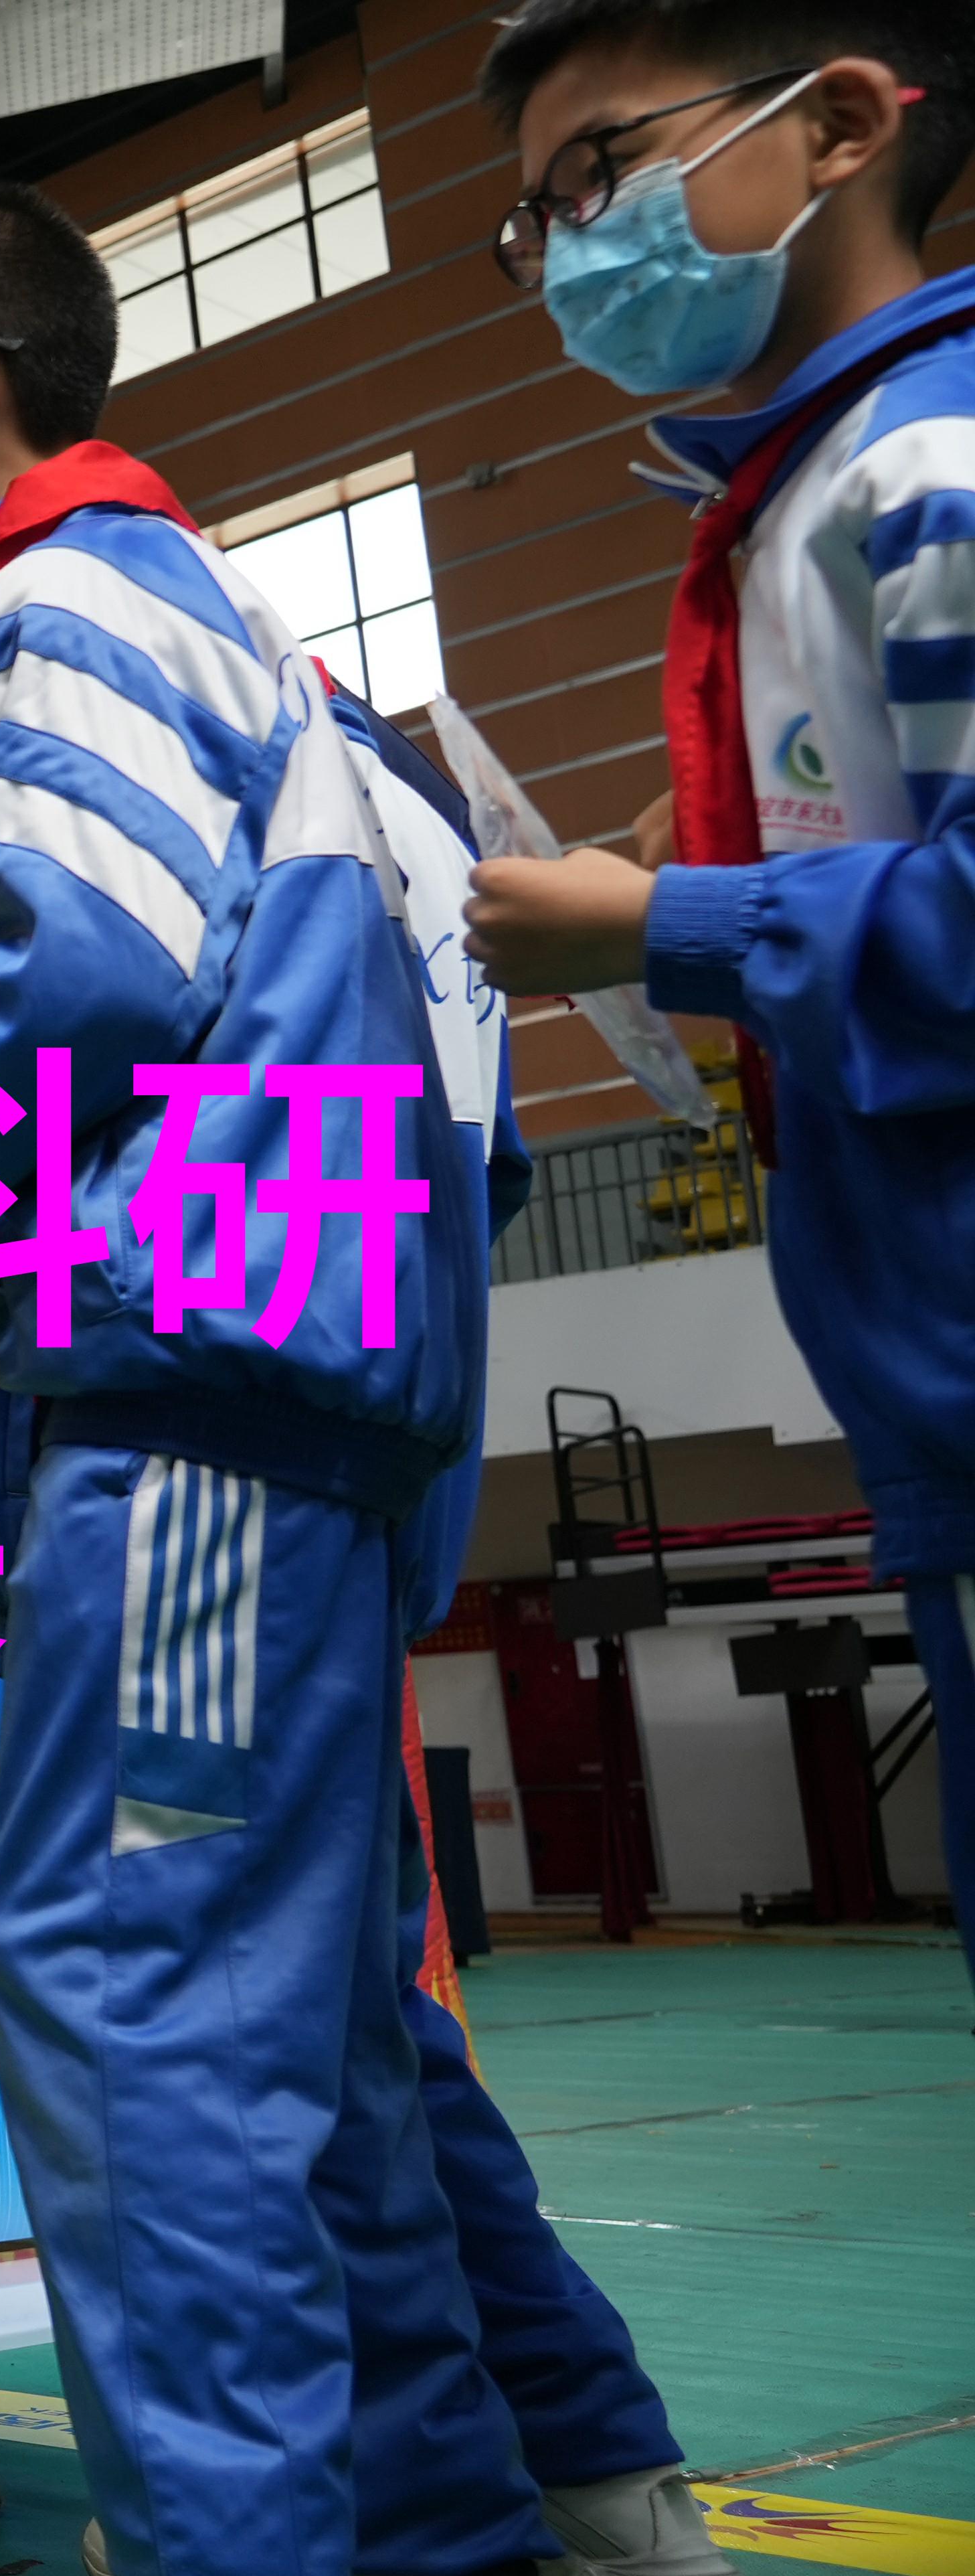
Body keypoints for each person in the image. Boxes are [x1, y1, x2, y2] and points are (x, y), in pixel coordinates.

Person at [0, 180, 549, 2576]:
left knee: (121, 1972)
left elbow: (71, 997)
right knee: (297, 2016)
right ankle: (421, 2544)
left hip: (192, 1383)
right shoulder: (207, 618)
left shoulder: (59, 601)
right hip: (289, 1381)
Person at [460, 0, 975, 2004]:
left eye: (600, 173)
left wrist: (668, 927)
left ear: (839, 122)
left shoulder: (926, 460)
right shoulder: (792, 496)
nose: (571, 249)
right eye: (538, 220)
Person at [343, 698, 762, 2576]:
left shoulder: (164, 723)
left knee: (289, 2038)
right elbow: (484, 1169)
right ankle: (600, 2473)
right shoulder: (402, 811)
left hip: (240, 1472)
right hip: (367, 1432)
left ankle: (426, 2531)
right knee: (363, 2024)